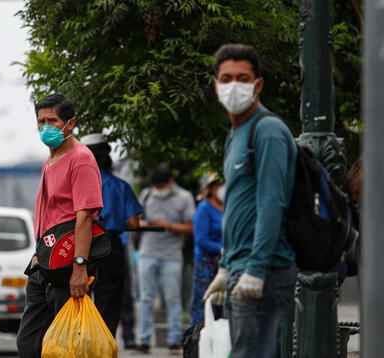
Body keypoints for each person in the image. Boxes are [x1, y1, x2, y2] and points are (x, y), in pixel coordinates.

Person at [203, 44, 297, 358]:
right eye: (226, 78)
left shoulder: (267, 130)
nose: (233, 86)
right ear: (216, 85)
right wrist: (227, 267)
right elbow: (238, 206)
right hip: (240, 268)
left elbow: (272, 203)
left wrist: (255, 269)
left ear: (257, 85)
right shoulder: (236, 133)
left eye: (242, 78)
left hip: (263, 271)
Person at [16, 94, 103, 357]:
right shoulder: (51, 158)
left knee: (63, 344)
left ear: (70, 123)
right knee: (28, 341)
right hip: (44, 261)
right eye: (41, 122)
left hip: (68, 263)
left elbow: (85, 216)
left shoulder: (81, 158)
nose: (46, 127)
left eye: (52, 121)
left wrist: (79, 267)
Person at [82, 133, 144, 349]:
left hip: (83, 245)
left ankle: (83, 346)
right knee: (109, 304)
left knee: (79, 299)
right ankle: (104, 348)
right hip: (112, 248)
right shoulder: (121, 186)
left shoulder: (78, 185)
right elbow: (134, 225)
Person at [136, 164, 195, 355]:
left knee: (173, 298)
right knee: (146, 298)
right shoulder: (147, 194)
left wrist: (168, 226)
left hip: (172, 255)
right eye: (156, 187)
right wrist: (148, 224)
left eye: (161, 186)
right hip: (148, 253)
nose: (158, 190)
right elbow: (135, 221)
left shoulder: (184, 198)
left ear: (170, 182)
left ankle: (174, 340)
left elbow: (191, 227)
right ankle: (144, 340)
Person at [189, 175, 224, 326]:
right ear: (210, 189)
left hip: (225, 263)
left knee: (220, 307)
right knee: (203, 303)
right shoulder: (204, 208)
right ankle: (196, 342)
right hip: (206, 263)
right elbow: (201, 240)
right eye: (217, 185)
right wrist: (221, 249)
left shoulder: (229, 208)